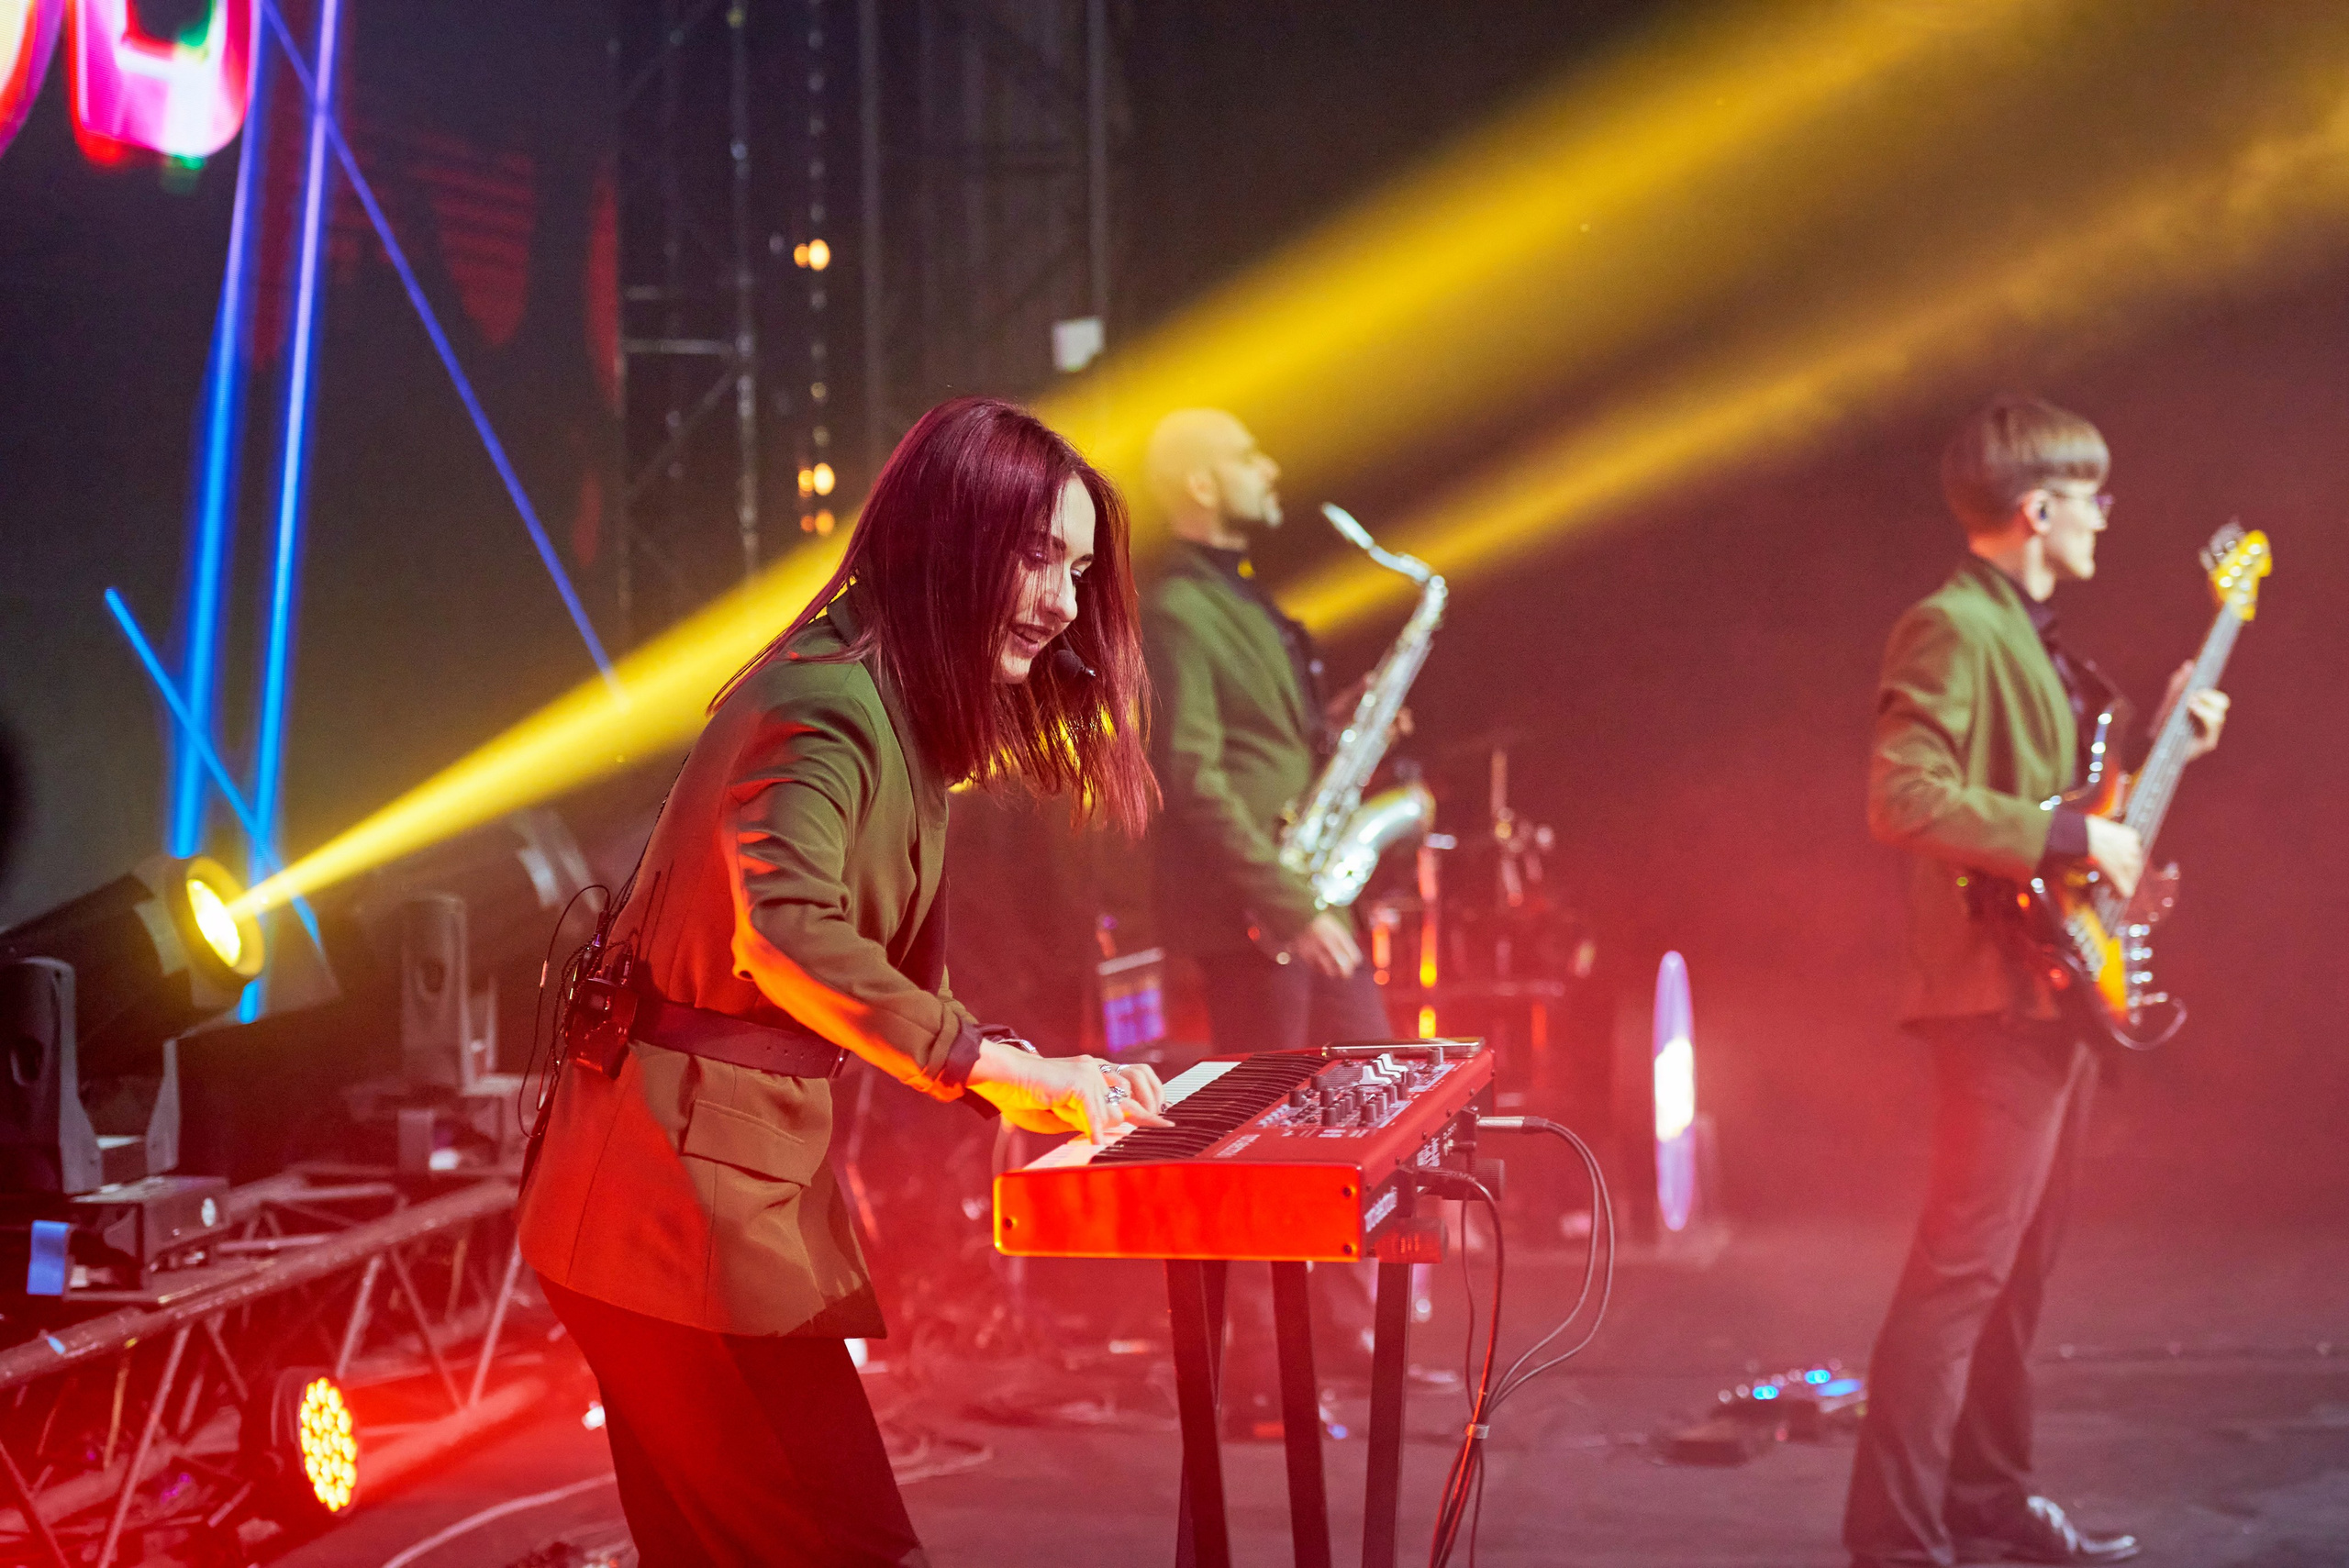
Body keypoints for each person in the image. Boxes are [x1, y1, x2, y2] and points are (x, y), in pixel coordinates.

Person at [518, 396, 1167, 1567]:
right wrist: (1005, 1066)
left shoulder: (879, 705)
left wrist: (1023, 1077)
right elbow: (783, 933)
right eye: (1037, 557)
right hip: (668, 1221)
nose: (1067, 603)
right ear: (951, 539)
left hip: (673, 1207)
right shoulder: (827, 707)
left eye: (1077, 567)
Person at [1845, 396, 2229, 1568]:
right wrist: (2066, 843)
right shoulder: (1950, 626)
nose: (2107, 520)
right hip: (1990, 1000)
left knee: (2011, 1276)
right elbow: (1899, 796)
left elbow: (2071, 808)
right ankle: (1896, 1542)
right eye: (2094, 499)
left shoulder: (2028, 634)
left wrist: (2163, 740)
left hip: (2047, 992)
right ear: (2038, 508)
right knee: (1961, 1275)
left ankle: (1989, 1504)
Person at [1138, 407, 1398, 1438]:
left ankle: (1338, 1343)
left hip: (1299, 899)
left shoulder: (1243, 601)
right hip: (1259, 916)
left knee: (1358, 1114)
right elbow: (1192, 775)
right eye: (1250, 454)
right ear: (1201, 483)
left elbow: (1261, 755)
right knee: (1271, 1149)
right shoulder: (1178, 610)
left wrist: (1347, 725)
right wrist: (1289, 901)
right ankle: (1258, 1385)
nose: (1272, 465)